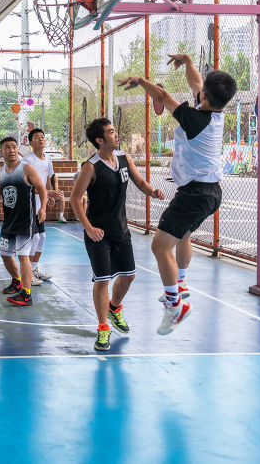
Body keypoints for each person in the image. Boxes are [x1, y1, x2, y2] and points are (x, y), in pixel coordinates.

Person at [119, 54, 237, 336]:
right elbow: (196, 82)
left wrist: (141, 81)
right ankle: (180, 283)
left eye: (202, 90)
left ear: (205, 96)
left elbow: (163, 96)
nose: (199, 89)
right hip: (209, 191)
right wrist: (188, 62)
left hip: (196, 194)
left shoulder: (194, 119)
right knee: (182, 235)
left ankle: (175, 306)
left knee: (160, 247)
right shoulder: (213, 112)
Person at [69, 118, 166, 351]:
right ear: (100, 140)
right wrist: (88, 228)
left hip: (121, 230)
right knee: (102, 279)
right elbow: (75, 199)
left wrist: (152, 191)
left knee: (129, 276)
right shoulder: (90, 167)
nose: (116, 135)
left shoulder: (123, 158)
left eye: (115, 131)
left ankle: (114, 307)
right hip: (98, 233)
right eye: (111, 132)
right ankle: (103, 328)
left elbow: (139, 182)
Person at [0, 137, 48, 307]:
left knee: (23, 256)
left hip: (25, 221)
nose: (11, 150)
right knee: (5, 254)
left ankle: (26, 294)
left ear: (18, 150)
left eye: (14, 147)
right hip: (9, 220)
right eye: (7, 147)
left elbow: (41, 188)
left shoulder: (26, 168)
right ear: (1, 152)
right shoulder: (1, 172)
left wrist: (43, 208)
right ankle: (17, 281)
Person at [23, 128, 67, 286]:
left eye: (42, 137)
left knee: (41, 237)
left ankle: (34, 269)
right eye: (36, 137)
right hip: (29, 205)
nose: (41, 139)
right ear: (30, 142)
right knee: (34, 238)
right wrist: (48, 192)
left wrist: (49, 196)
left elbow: (48, 178)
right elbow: (27, 187)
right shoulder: (27, 160)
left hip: (40, 205)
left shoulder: (47, 158)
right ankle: (27, 273)